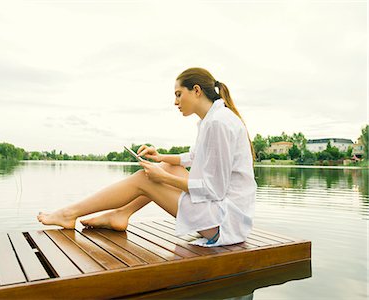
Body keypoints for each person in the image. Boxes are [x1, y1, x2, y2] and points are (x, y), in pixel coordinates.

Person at [37, 67, 256, 247]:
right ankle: (121, 214)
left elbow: (214, 189)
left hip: (224, 223)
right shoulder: (213, 119)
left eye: (179, 94)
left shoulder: (218, 123)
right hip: (221, 213)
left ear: (196, 90)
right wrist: (160, 156)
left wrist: (163, 178)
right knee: (164, 167)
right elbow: (192, 157)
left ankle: (69, 214)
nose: (175, 102)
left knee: (146, 178)